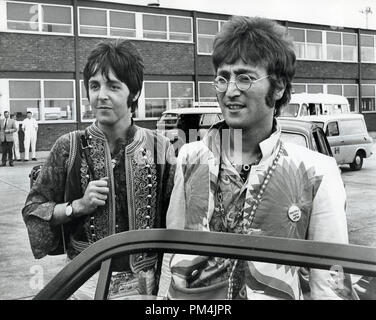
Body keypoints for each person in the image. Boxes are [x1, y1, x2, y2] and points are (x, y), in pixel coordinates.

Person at [158, 16, 354, 300]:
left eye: (245, 77)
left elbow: (330, 280)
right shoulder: (191, 157)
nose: (230, 90)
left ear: (278, 88)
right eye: (223, 77)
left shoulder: (317, 171)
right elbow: (175, 249)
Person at [22, 39, 175, 299]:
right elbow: (34, 209)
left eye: (113, 86)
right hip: (84, 279)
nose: (101, 95)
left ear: (134, 93)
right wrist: (76, 206)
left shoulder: (160, 147)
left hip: (143, 282)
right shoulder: (67, 146)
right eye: (94, 86)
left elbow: (178, 220)